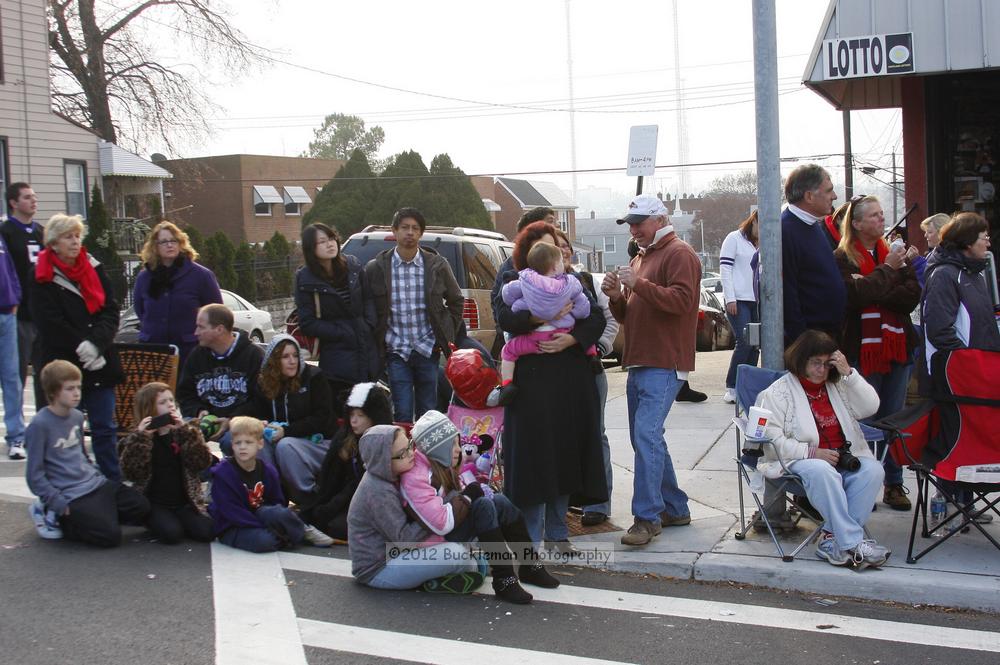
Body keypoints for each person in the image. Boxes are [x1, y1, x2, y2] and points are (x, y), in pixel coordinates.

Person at [497, 221, 607, 548]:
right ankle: (529, 541)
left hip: (569, 380)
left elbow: (596, 318)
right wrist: (541, 317)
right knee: (532, 465)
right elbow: (505, 318)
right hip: (529, 385)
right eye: (547, 245)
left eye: (559, 246)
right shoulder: (512, 279)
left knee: (565, 459)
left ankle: (558, 534)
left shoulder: (574, 281)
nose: (557, 253)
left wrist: (571, 339)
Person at [602, 195, 700, 547]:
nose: (633, 229)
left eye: (639, 222)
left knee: (646, 436)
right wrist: (616, 296)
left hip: (664, 362)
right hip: (642, 361)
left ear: (660, 220)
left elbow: (684, 302)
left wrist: (636, 284)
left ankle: (647, 518)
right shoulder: (641, 257)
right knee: (648, 437)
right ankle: (674, 507)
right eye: (630, 223)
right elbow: (629, 314)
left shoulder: (680, 254)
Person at [755, 331, 890, 570]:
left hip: (843, 457)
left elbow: (871, 406)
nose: (821, 370)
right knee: (822, 470)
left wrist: (849, 373)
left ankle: (831, 540)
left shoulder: (837, 385)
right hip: (798, 460)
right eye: (815, 363)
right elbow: (771, 440)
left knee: (874, 470)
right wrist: (811, 452)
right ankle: (852, 541)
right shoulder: (776, 393)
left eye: (826, 364)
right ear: (801, 361)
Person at [400, 410, 560, 604]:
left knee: (499, 501)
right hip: (431, 542)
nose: (459, 450)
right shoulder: (416, 477)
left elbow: (459, 496)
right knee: (483, 506)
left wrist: (474, 491)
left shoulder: (438, 462)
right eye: (454, 444)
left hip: (446, 530)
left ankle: (530, 565)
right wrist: (470, 495)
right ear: (437, 447)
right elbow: (440, 524)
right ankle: (504, 579)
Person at [834, 195, 920, 511]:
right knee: (865, 417)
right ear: (856, 224)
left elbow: (912, 296)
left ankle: (894, 483)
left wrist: (874, 284)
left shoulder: (894, 252)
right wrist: (886, 273)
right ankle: (864, 483)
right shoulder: (842, 257)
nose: (881, 219)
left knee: (893, 417)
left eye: (882, 214)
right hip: (862, 349)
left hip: (897, 347)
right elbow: (852, 297)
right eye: (873, 215)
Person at [32, 214, 123, 481]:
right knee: (67, 431)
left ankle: (112, 486)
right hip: (64, 364)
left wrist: (95, 344)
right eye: (68, 237)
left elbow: (110, 310)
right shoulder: (40, 274)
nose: (74, 242)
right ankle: (77, 485)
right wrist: (80, 344)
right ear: (54, 242)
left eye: (77, 236)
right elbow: (48, 321)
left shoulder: (93, 267)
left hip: (99, 363)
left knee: (104, 428)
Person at [922, 213, 1000, 522]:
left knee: (974, 435)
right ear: (968, 242)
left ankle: (966, 500)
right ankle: (950, 499)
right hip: (956, 373)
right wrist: (965, 362)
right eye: (984, 237)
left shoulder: (975, 273)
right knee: (954, 435)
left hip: (979, 371)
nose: (988, 242)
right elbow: (940, 329)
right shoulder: (944, 274)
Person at [348, 424, 486, 594]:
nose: (411, 454)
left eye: (409, 445)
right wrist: (432, 515)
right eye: (402, 454)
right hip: (378, 568)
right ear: (383, 462)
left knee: (461, 550)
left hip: (395, 553)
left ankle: (437, 579)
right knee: (458, 556)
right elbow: (405, 539)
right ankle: (438, 579)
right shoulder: (378, 492)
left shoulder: (391, 476)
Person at [25, 360, 150, 546]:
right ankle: (52, 514)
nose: (76, 393)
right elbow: (34, 474)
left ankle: (99, 514)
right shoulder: (40, 425)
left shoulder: (76, 416)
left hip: (95, 483)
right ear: (53, 392)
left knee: (142, 507)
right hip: (69, 493)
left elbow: (81, 454)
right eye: (69, 388)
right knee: (109, 537)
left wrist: (95, 473)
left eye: (78, 387)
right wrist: (58, 502)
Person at [365, 207, 463, 423]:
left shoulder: (437, 265)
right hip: (395, 348)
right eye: (404, 228)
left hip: (427, 347)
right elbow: (368, 305)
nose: (409, 232)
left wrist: (447, 331)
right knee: (402, 411)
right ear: (395, 231)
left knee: (428, 412)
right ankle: (404, 455)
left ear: (421, 233)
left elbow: (456, 300)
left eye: (415, 228)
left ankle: (425, 456)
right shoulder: (377, 267)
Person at [553, 229, 620, 527]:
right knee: (562, 437)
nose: (563, 251)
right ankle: (567, 500)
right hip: (555, 376)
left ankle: (599, 502)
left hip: (589, 370)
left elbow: (608, 319)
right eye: (556, 247)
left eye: (565, 246)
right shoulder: (532, 284)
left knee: (595, 433)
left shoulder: (587, 282)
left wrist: (600, 349)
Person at [488, 242, 594, 406]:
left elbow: (507, 295)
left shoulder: (525, 281)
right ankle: (592, 355)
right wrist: (577, 313)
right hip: (563, 331)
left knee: (508, 351)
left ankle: (507, 385)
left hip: (536, 339)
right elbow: (585, 309)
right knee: (583, 332)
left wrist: (521, 307)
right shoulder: (570, 282)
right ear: (554, 267)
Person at [117, 382, 214, 544]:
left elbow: (202, 463)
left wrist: (185, 432)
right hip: (156, 502)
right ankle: (151, 519)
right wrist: (141, 438)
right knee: (172, 534)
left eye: (171, 400)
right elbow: (132, 473)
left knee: (206, 532)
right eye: (162, 402)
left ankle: (181, 520)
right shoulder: (135, 439)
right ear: (149, 409)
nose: (170, 405)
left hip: (184, 501)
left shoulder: (185, 432)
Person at [295, 223, 378, 411]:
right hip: (336, 356)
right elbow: (307, 322)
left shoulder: (353, 265)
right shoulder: (305, 278)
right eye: (322, 242)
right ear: (311, 248)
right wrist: (342, 332)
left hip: (366, 348)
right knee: (345, 410)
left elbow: (368, 299)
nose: (330, 244)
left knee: (369, 408)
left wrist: (369, 324)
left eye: (332, 238)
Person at [300, 382, 393, 541]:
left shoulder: (384, 444)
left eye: (360, 415)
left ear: (374, 416)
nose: (354, 421)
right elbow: (329, 479)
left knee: (339, 527)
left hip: (372, 504)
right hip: (345, 501)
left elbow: (362, 486)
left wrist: (331, 508)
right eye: (351, 415)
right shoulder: (344, 439)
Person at [209, 416, 318, 552]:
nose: (243, 447)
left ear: (260, 444)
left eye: (248, 442)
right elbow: (230, 510)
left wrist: (271, 517)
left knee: (278, 512)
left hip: (260, 515)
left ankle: (301, 530)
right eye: (238, 443)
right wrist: (262, 525)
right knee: (264, 542)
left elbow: (276, 500)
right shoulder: (223, 473)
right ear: (232, 445)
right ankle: (287, 535)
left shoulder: (267, 470)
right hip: (232, 524)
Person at [251, 334, 336, 505]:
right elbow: (256, 411)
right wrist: (262, 424)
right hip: (284, 437)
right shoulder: (264, 383)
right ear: (274, 361)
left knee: (285, 446)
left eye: (295, 355)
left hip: (319, 441)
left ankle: (307, 497)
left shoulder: (314, 377)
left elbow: (322, 418)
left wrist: (286, 431)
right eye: (285, 356)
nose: (292, 361)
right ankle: (272, 496)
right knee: (259, 442)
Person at [132, 221, 222, 366]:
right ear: (155, 246)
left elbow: (216, 312)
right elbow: (140, 310)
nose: (169, 245)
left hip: (189, 352)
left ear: (181, 243)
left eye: (173, 241)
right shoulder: (144, 277)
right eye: (164, 242)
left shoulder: (200, 275)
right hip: (153, 351)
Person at [177, 304, 264, 453]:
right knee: (182, 437)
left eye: (201, 327)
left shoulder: (253, 356)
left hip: (241, 420)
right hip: (205, 419)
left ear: (219, 329)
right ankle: (205, 473)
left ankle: (233, 475)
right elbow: (184, 394)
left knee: (232, 441)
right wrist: (199, 411)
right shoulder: (196, 356)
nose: (196, 332)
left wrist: (232, 420)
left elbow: (261, 401)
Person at [781, 164, 847, 346]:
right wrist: (804, 343)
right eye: (829, 191)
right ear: (809, 196)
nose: (834, 197)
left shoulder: (812, 225)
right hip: (808, 345)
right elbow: (786, 294)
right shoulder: (785, 231)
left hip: (825, 337)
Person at [1, 182, 45, 409]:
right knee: (16, 372)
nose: (33, 200)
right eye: (27, 197)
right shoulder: (6, 232)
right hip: (19, 314)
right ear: (14, 203)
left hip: (42, 313)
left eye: (34, 196)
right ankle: (16, 425)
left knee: (45, 370)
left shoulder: (40, 232)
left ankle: (43, 421)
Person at [720, 210, 760, 404]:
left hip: (758, 300)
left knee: (755, 345)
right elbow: (725, 269)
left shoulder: (768, 241)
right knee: (744, 342)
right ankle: (732, 385)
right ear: (754, 222)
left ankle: (747, 385)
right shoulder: (734, 238)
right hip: (739, 299)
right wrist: (730, 298)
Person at [0, 230, 26, 460]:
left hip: (7, 314)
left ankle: (16, 436)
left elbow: (9, 270)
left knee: (11, 378)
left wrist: (15, 297)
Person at [913, 213, 950, 289]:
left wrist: (917, 261)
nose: (925, 235)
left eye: (929, 232)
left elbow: (928, 279)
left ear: (942, 234)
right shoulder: (936, 253)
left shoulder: (949, 256)